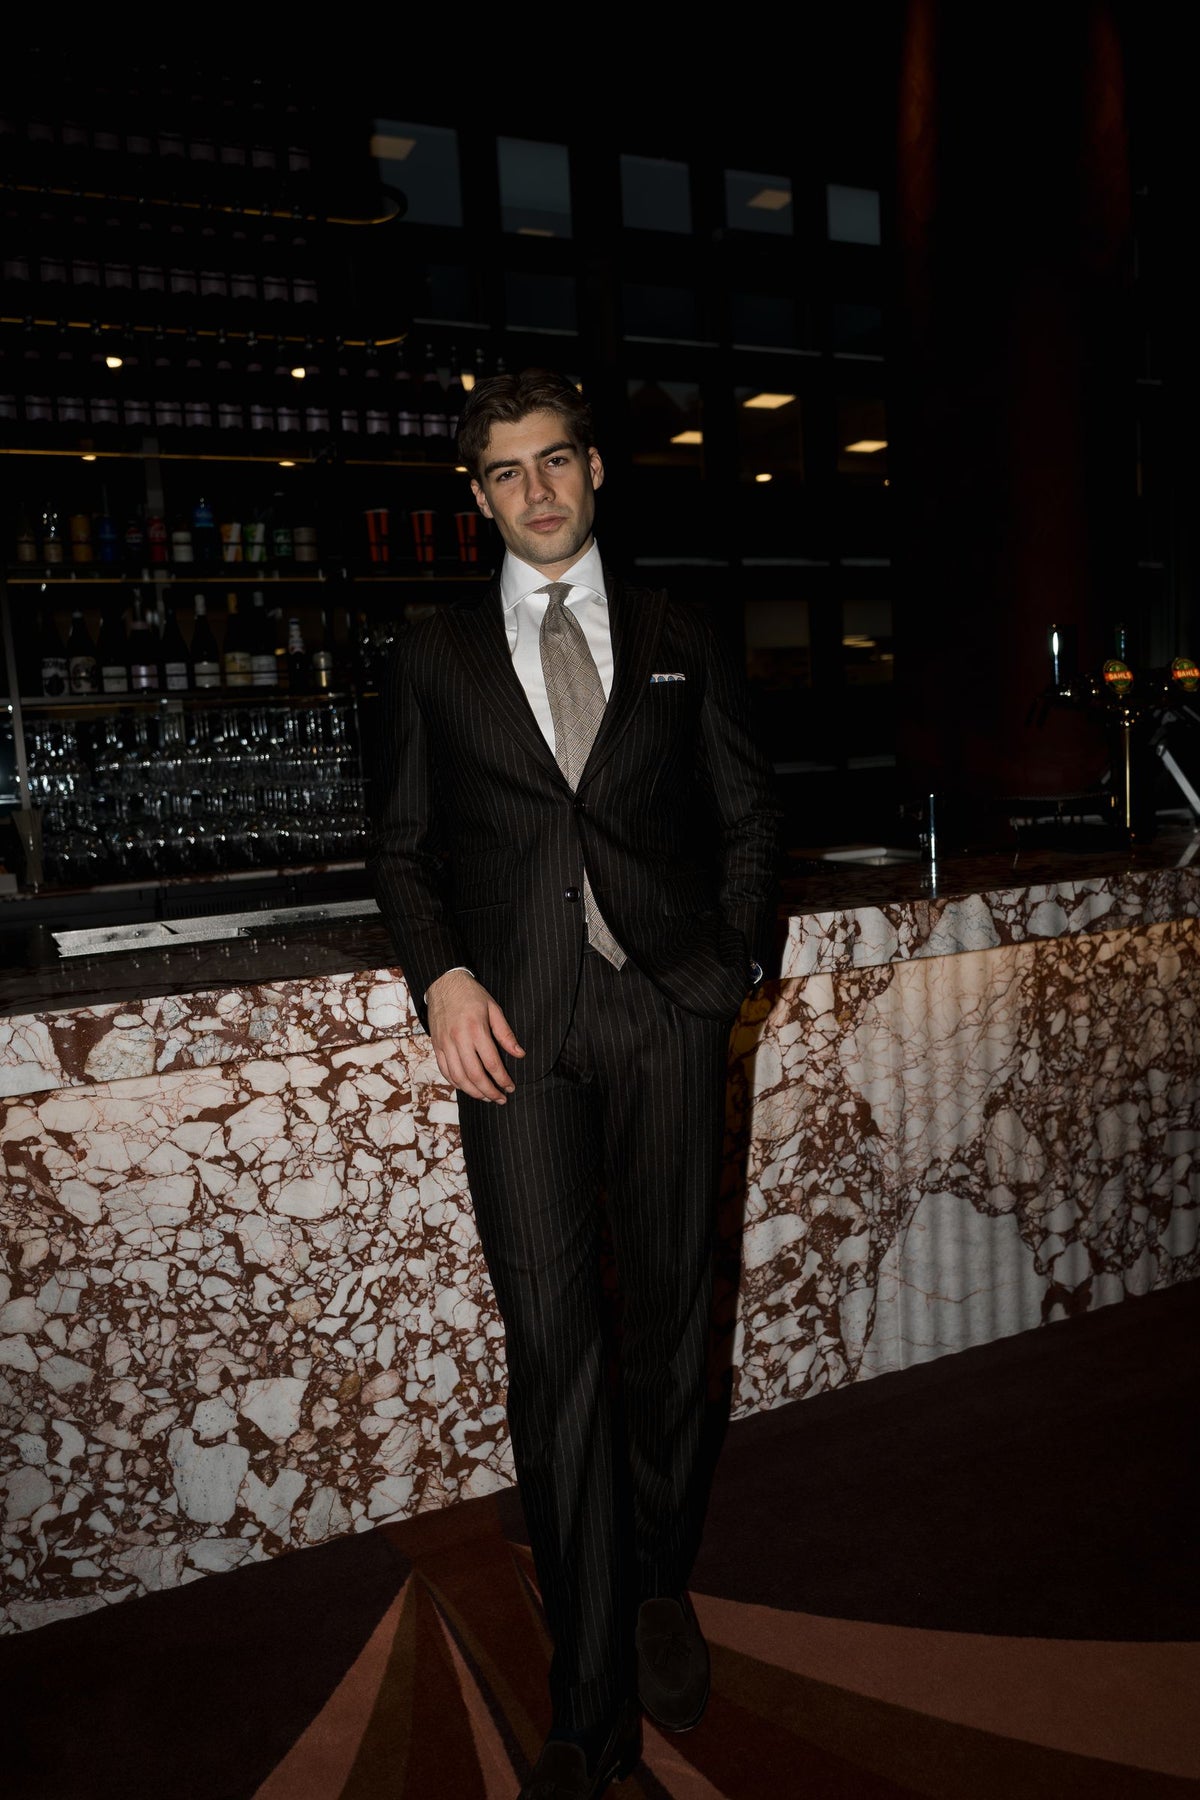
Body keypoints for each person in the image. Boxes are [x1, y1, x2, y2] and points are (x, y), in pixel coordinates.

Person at [368, 366, 780, 1800]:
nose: (535, 490)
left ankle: (658, 1582)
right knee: (555, 1354)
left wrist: (727, 971)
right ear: (476, 496)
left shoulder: (680, 633)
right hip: (515, 1036)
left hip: (664, 1013)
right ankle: (587, 1703)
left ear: (595, 469)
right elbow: (401, 846)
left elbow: (748, 814)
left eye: (555, 460)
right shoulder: (432, 652)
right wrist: (442, 975)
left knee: (669, 1331)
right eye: (506, 471)